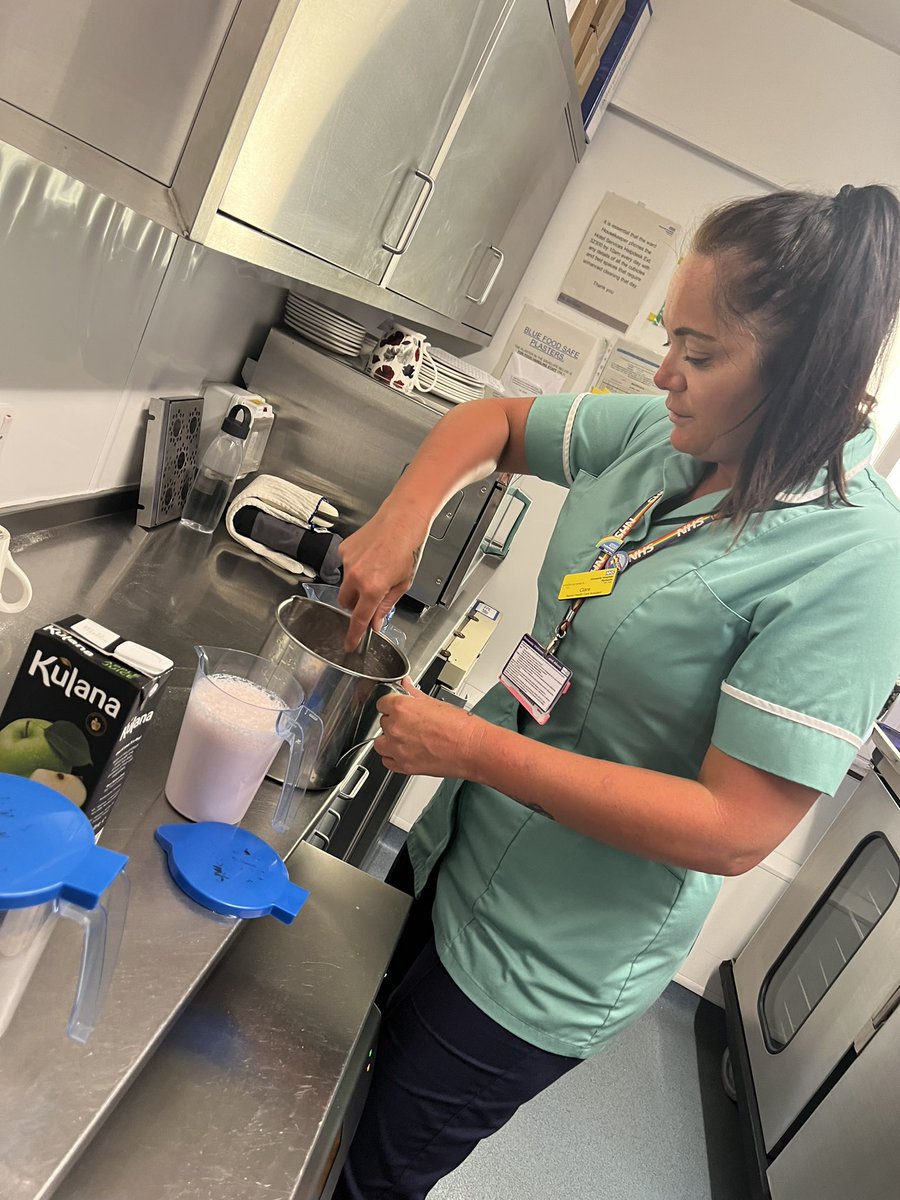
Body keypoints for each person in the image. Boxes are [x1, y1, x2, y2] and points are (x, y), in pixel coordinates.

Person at [332, 185, 900, 1200]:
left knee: (368, 1175)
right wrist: (403, 517)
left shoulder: (859, 561)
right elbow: (494, 419)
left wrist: (472, 750)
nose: (666, 372)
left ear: (807, 374)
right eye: (668, 334)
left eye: (703, 351)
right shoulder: (672, 437)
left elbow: (732, 829)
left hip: (543, 960)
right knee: (331, 1097)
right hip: (455, 856)